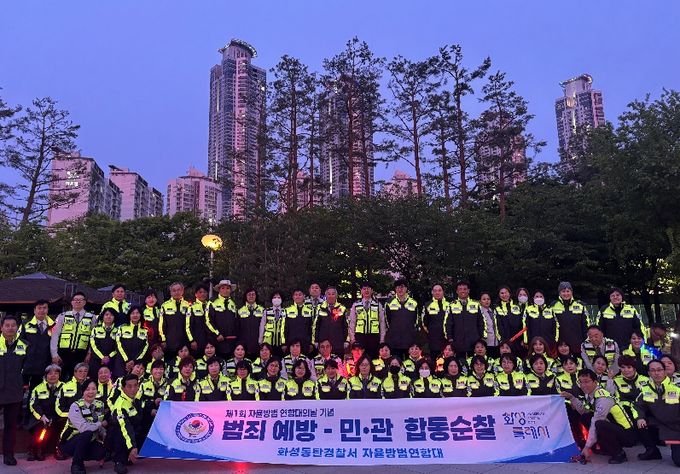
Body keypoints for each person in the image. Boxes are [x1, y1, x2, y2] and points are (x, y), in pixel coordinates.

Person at [562, 369, 637, 464]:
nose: (583, 385)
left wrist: (587, 447)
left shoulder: (602, 398)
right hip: (614, 427)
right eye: (580, 382)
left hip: (627, 434)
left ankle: (619, 454)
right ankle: (605, 448)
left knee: (599, 424)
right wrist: (571, 398)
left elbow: (595, 422)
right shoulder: (590, 394)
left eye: (586, 382)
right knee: (585, 417)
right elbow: (584, 411)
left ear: (595, 382)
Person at [635, 359, 680, 465]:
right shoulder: (645, 389)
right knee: (639, 422)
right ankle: (652, 451)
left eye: (659, 370)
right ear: (649, 373)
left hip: (677, 427)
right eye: (653, 370)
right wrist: (640, 418)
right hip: (660, 423)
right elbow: (637, 406)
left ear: (664, 371)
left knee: (678, 462)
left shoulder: (677, 387)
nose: (656, 373)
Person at [58, 379, 107, 474]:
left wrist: (104, 438)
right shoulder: (75, 406)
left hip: (89, 440)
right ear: (83, 391)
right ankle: (76, 464)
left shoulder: (100, 405)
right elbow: (84, 428)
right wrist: (100, 424)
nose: (91, 392)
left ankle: (81, 455)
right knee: (87, 433)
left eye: (94, 389)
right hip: (70, 441)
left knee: (101, 452)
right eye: (87, 389)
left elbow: (99, 426)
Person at [51, 292, 98, 380]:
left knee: (79, 379)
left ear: (85, 302)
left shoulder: (92, 317)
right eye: (75, 300)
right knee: (60, 378)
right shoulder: (63, 316)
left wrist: (89, 353)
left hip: (81, 354)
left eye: (80, 300)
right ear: (72, 302)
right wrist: (54, 354)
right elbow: (55, 335)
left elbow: (93, 337)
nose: (78, 302)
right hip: (63, 354)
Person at [0, 315, 27, 466]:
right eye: (7, 325)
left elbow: (27, 367)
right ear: (1, 327)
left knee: (10, 427)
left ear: (17, 327)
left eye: (13, 325)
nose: (10, 328)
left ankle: (8, 455)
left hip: (14, 391)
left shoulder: (24, 345)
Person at [26, 364, 62, 461]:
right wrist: (42, 416)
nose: (53, 376)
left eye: (56, 373)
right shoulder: (38, 388)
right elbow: (33, 405)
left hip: (58, 415)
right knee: (42, 427)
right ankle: (35, 449)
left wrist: (56, 416)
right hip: (41, 416)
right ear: (45, 376)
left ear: (59, 375)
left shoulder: (64, 387)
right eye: (50, 373)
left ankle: (58, 449)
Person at [109, 374, 143, 474]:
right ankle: (119, 461)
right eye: (129, 386)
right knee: (118, 430)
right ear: (123, 388)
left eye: (135, 386)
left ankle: (131, 454)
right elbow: (125, 428)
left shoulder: (136, 399)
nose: (133, 389)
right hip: (119, 436)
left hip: (133, 432)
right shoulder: (120, 406)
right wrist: (132, 447)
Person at [20, 299, 55, 390]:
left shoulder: (53, 325)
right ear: (34, 310)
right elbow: (20, 343)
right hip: (27, 365)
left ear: (48, 310)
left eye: (44, 308)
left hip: (44, 365)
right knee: (21, 390)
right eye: (39, 308)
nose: (42, 310)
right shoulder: (26, 324)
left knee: (37, 390)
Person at [448, 280, 485, 358]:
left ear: (468, 290)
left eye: (465, 289)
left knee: (475, 362)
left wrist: (482, 337)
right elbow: (448, 324)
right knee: (460, 363)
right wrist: (450, 338)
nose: (463, 291)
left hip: (474, 343)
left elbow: (482, 322)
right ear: (457, 291)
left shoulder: (476, 304)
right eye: (460, 289)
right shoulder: (451, 305)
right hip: (458, 342)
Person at [348, 282, 386, 358]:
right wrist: (352, 338)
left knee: (374, 358)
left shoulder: (377, 304)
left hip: (374, 337)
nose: (366, 291)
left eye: (368, 289)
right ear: (361, 291)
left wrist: (382, 339)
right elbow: (352, 322)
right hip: (360, 336)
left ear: (372, 290)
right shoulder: (356, 305)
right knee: (360, 358)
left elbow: (382, 323)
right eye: (364, 289)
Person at [550, 282, 590, 355]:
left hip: (577, 345)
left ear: (571, 292)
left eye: (568, 291)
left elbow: (586, 326)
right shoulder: (553, 306)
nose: (566, 294)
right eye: (563, 291)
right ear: (559, 293)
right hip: (561, 346)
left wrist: (587, 342)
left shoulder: (580, 306)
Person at [556, 355, 586, 446]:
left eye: (571, 363)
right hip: (568, 406)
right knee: (571, 415)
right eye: (566, 364)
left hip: (584, 405)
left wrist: (579, 403)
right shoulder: (558, 379)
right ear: (563, 367)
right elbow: (560, 395)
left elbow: (588, 393)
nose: (569, 366)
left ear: (576, 365)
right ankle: (579, 440)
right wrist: (571, 402)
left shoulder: (584, 376)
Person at [159, 282, 191, 362]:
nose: (176, 292)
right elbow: (161, 324)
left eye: (178, 290)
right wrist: (163, 340)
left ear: (182, 291)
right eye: (174, 290)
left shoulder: (188, 305)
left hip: (184, 343)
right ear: (171, 292)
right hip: (170, 343)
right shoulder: (164, 306)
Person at [115, 306, 149, 378]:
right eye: (133, 313)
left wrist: (134, 361)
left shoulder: (145, 330)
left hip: (137, 363)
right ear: (129, 315)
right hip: (122, 361)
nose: (135, 315)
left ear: (141, 315)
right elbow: (118, 343)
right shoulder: (122, 328)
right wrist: (127, 360)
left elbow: (145, 347)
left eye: (137, 313)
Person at [208, 280, 239, 359]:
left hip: (231, 342)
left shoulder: (233, 304)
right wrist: (217, 334)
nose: (225, 290)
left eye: (227, 288)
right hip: (217, 341)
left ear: (230, 290)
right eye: (223, 288)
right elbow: (208, 321)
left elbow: (236, 322)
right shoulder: (212, 302)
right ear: (219, 290)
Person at [312, 287, 348, 355]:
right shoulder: (319, 308)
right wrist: (315, 340)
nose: (331, 296)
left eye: (333, 294)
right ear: (325, 295)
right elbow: (315, 325)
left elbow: (346, 326)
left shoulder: (342, 308)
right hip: (323, 344)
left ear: (336, 296)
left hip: (338, 344)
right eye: (329, 294)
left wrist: (346, 340)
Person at [614, 355, 650, 419]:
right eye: (623, 367)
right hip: (626, 414)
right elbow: (617, 401)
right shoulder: (615, 381)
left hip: (645, 412)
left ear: (634, 368)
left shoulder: (646, 380)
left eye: (629, 367)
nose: (626, 370)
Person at [421, 284, 450, 358]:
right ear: (432, 292)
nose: (437, 293)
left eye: (439, 290)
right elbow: (424, 323)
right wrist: (431, 333)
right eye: (435, 291)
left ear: (443, 292)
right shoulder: (427, 305)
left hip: (448, 340)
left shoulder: (450, 305)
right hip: (434, 341)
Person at [281, 289, 314, 354]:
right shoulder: (287, 310)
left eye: (300, 295)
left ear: (304, 296)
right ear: (293, 297)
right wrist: (283, 343)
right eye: (296, 295)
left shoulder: (310, 310)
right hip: (291, 343)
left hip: (305, 344)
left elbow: (312, 328)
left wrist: (312, 343)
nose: (298, 297)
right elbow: (283, 328)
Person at [87, 308, 117, 379]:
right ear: (102, 316)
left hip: (111, 361)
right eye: (106, 314)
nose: (109, 317)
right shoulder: (95, 329)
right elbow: (93, 345)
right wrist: (102, 357)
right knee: (94, 380)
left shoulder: (118, 331)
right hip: (96, 360)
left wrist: (109, 357)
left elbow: (118, 347)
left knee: (109, 381)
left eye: (111, 315)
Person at [236, 287, 264, 360]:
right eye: (249, 294)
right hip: (244, 346)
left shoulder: (262, 310)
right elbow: (237, 329)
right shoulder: (240, 310)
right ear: (245, 296)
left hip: (258, 345)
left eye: (253, 294)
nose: (251, 296)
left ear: (256, 296)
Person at [494, 286, 524, 355]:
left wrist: (523, 339)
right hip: (505, 343)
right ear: (499, 295)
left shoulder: (518, 305)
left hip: (518, 341)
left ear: (509, 293)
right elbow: (496, 326)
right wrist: (501, 340)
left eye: (506, 292)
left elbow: (523, 323)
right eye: (502, 293)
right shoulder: (496, 308)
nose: (504, 295)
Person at [187, 284, 212, 356]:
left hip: (210, 341)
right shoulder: (191, 307)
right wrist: (192, 340)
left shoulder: (211, 306)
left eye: (204, 292)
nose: (202, 294)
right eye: (200, 292)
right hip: (197, 341)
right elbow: (188, 326)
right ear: (196, 294)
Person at [479, 291, 498, 357]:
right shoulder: (479, 312)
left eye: (488, 299)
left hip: (496, 342)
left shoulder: (492, 311)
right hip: (486, 343)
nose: (486, 301)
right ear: (480, 301)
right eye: (484, 299)